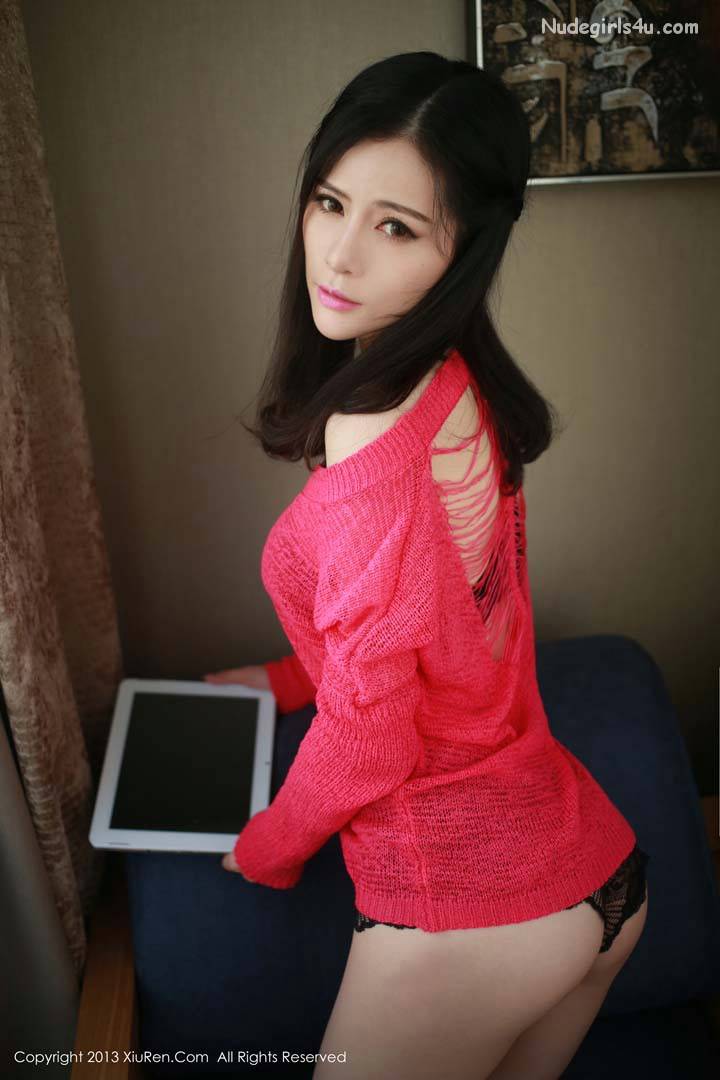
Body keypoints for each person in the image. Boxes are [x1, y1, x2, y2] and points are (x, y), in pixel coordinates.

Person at [204, 51, 649, 1080]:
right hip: (594, 865)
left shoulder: (372, 438)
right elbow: (443, 625)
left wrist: (270, 847)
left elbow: (369, 737)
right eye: (330, 202)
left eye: (396, 227)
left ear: (464, 251)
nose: (339, 254)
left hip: (470, 906)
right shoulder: (457, 380)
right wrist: (283, 681)